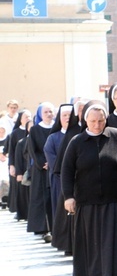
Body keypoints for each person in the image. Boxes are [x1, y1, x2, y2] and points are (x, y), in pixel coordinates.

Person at [61, 101, 117, 276]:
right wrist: (68, 196)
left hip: (114, 198)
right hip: (87, 200)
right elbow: (66, 171)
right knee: (90, 240)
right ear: (86, 121)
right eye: (93, 121)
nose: (97, 125)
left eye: (101, 120)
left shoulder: (116, 136)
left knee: (112, 240)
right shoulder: (77, 142)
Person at [43, 104, 73, 249]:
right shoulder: (52, 138)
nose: (67, 118)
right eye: (64, 115)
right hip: (59, 181)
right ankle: (65, 244)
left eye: (70, 115)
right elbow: (53, 161)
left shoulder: (78, 135)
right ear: (59, 118)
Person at [27, 102, 55, 242]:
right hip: (41, 170)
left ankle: (54, 226)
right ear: (40, 114)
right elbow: (33, 150)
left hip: (53, 168)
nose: (49, 114)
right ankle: (42, 227)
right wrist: (42, 163)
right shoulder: (35, 130)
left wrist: (52, 162)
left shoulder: (56, 128)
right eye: (46, 112)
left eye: (51, 111)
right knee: (41, 199)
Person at [7, 109, 30, 215]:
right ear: (20, 120)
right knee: (20, 189)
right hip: (18, 164)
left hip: (28, 164)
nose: (28, 119)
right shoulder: (15, 133)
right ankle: (21, 211)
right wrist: (12, 166)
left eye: (29, 117)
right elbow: (11, 151)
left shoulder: (32, 130)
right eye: (26, 117)